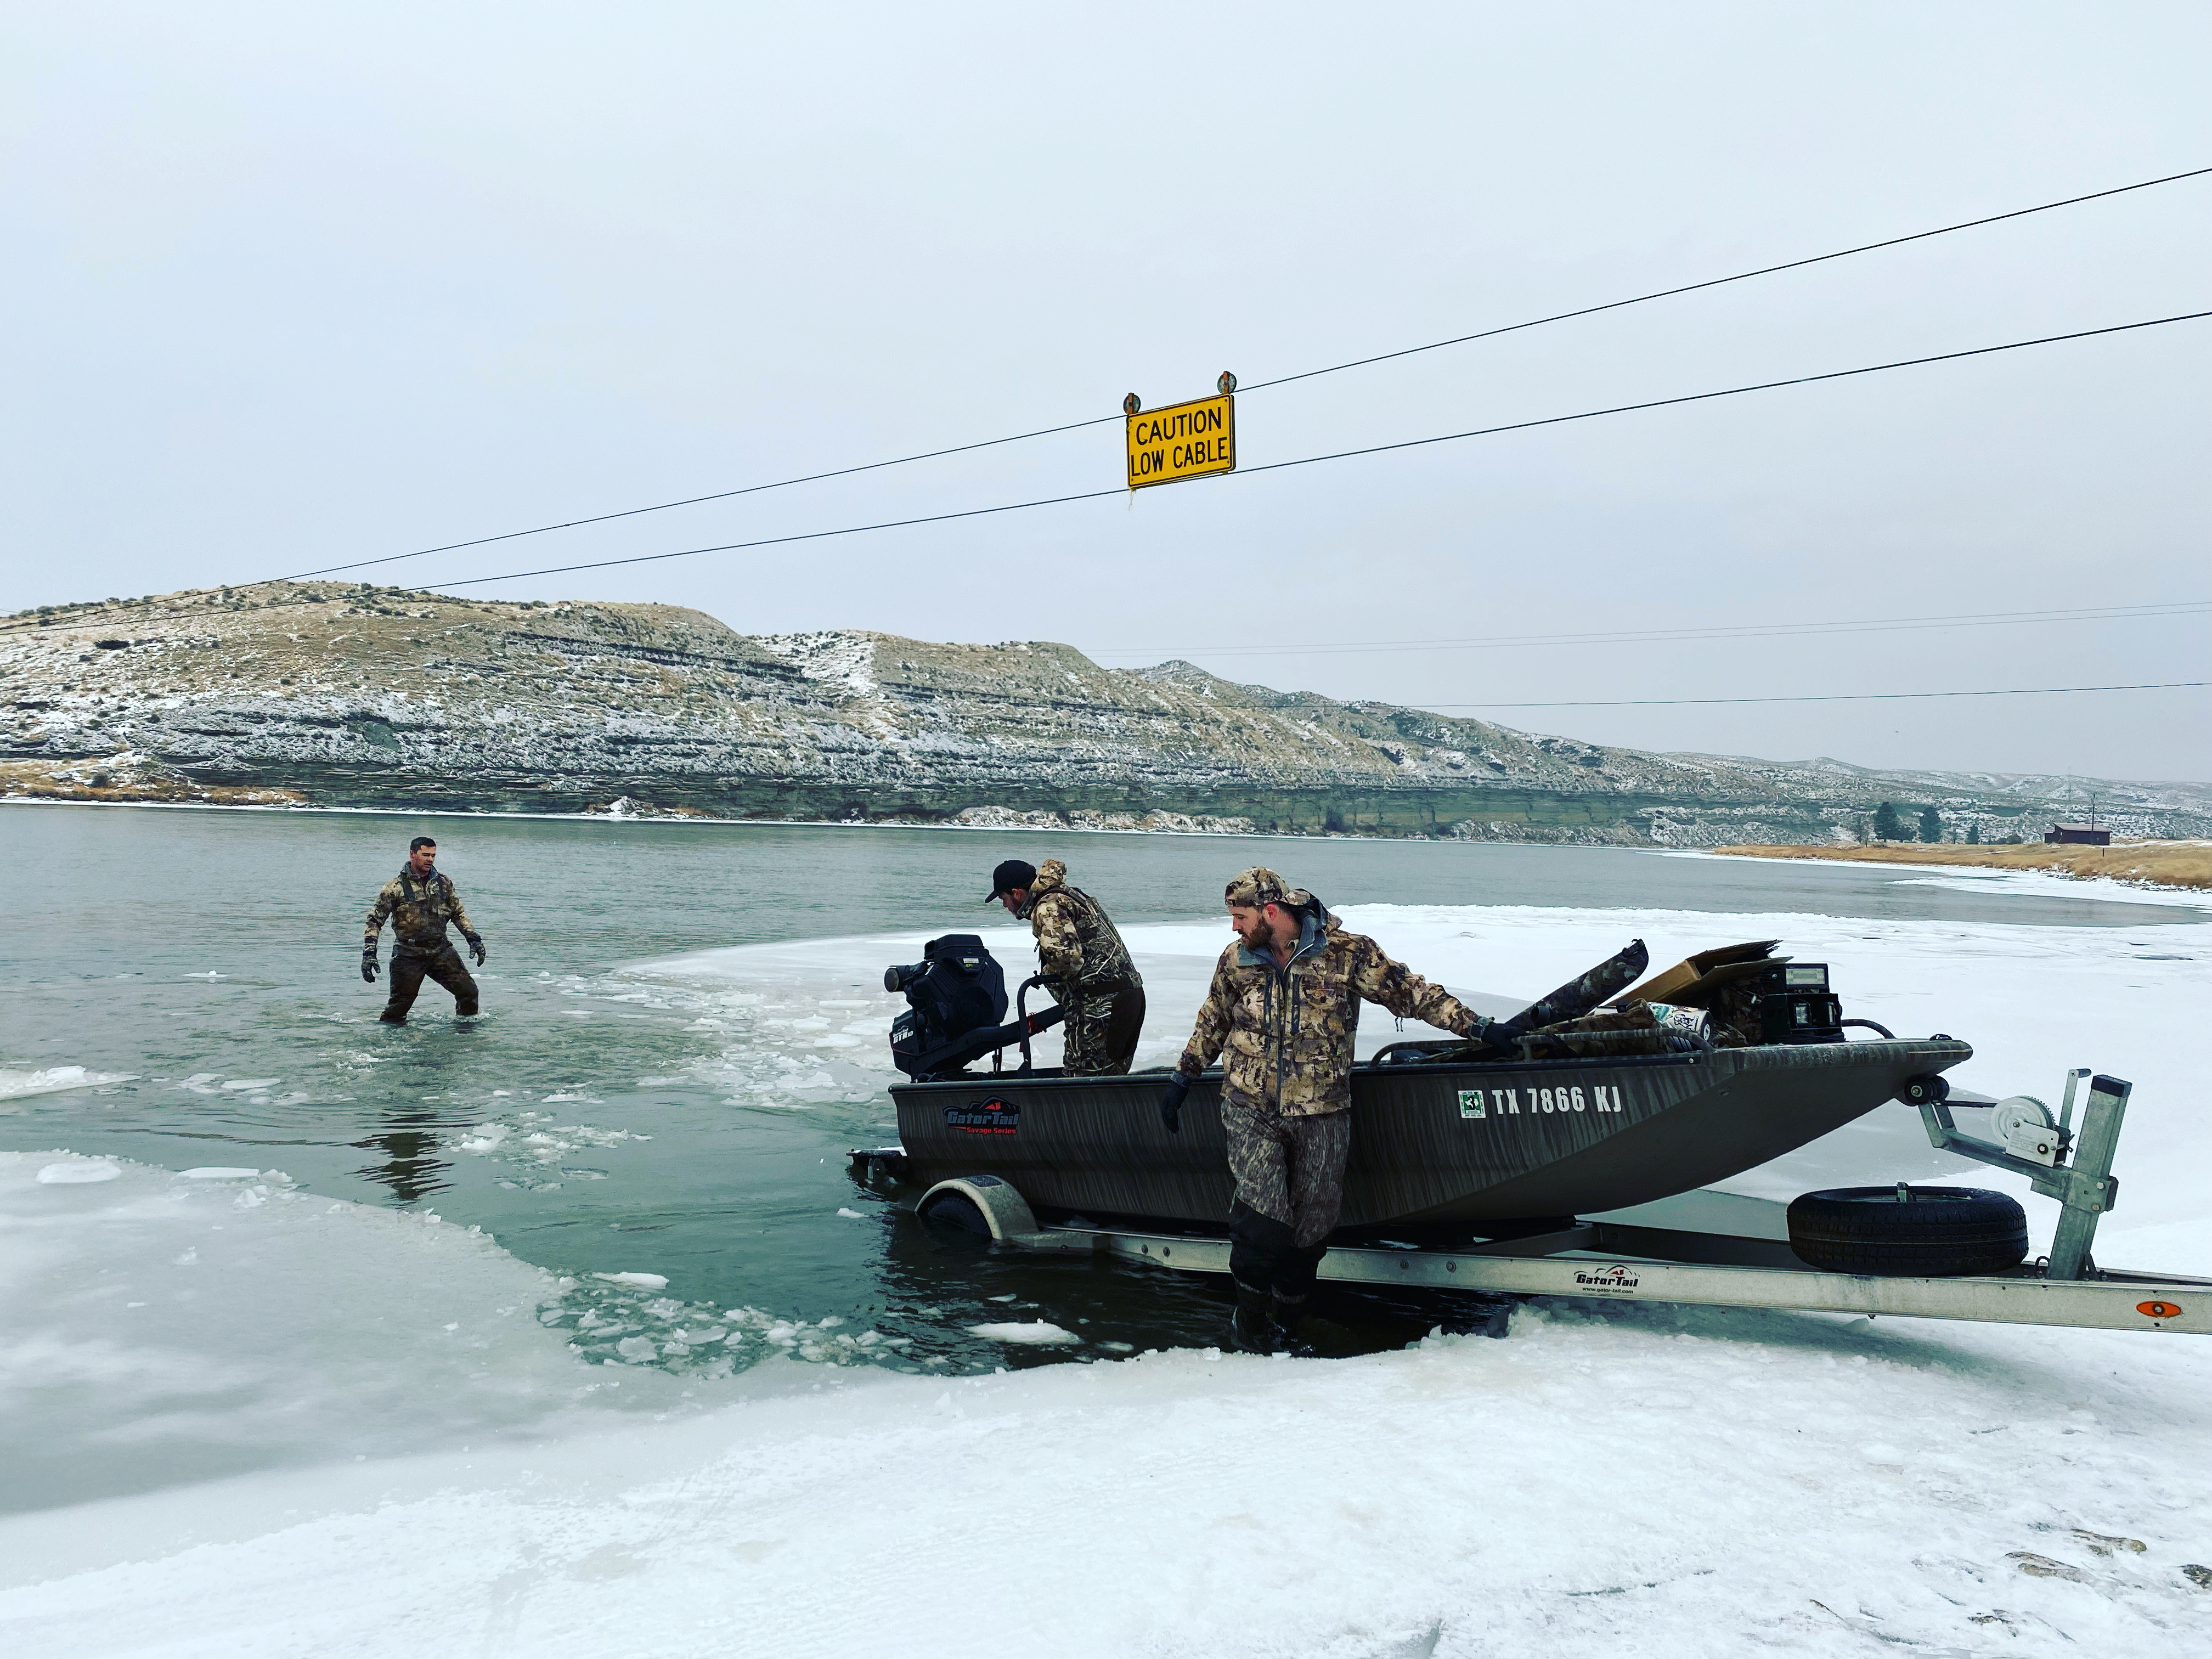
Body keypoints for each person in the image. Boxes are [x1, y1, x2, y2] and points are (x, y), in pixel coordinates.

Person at [1158, 866, 1521, 1353]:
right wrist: (1184, 1076)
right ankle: (1250, 1326)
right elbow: (1214, 1018)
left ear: (1271, 912)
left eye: (1240, 916)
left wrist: (1477, 1027)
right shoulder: (1236, 959)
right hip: (1251, 1104)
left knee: (1311, 1230)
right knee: (1262, 1222)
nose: (1234, 927)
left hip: (1323, 1109)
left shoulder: (1348, 953)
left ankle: (1287, 1324)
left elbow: (1410, 992)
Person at [987, 857, 1146, 1075]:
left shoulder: (1047, 907)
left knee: (1083, 1079)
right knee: (1110, 1079)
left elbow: (1067, 959)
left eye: (1003, 899)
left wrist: (1044, 975)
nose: (1005, 906)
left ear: (1016, 893)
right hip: (1127, 997)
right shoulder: (1068, 894)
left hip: (1101, 1006)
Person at [362, 836, 487, 1024]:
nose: (430, 859)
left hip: (441, 950)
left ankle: (464, 1034)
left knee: (469, 993)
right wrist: (369, 953)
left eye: (433, 856)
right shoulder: (395, 888)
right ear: (412, 854)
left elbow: (458, 913)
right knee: (399, 1007)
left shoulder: (443, 883)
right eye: (425, 855)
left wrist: (473, 939)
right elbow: (374, 920)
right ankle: (387, 1040)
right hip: (408, 953)